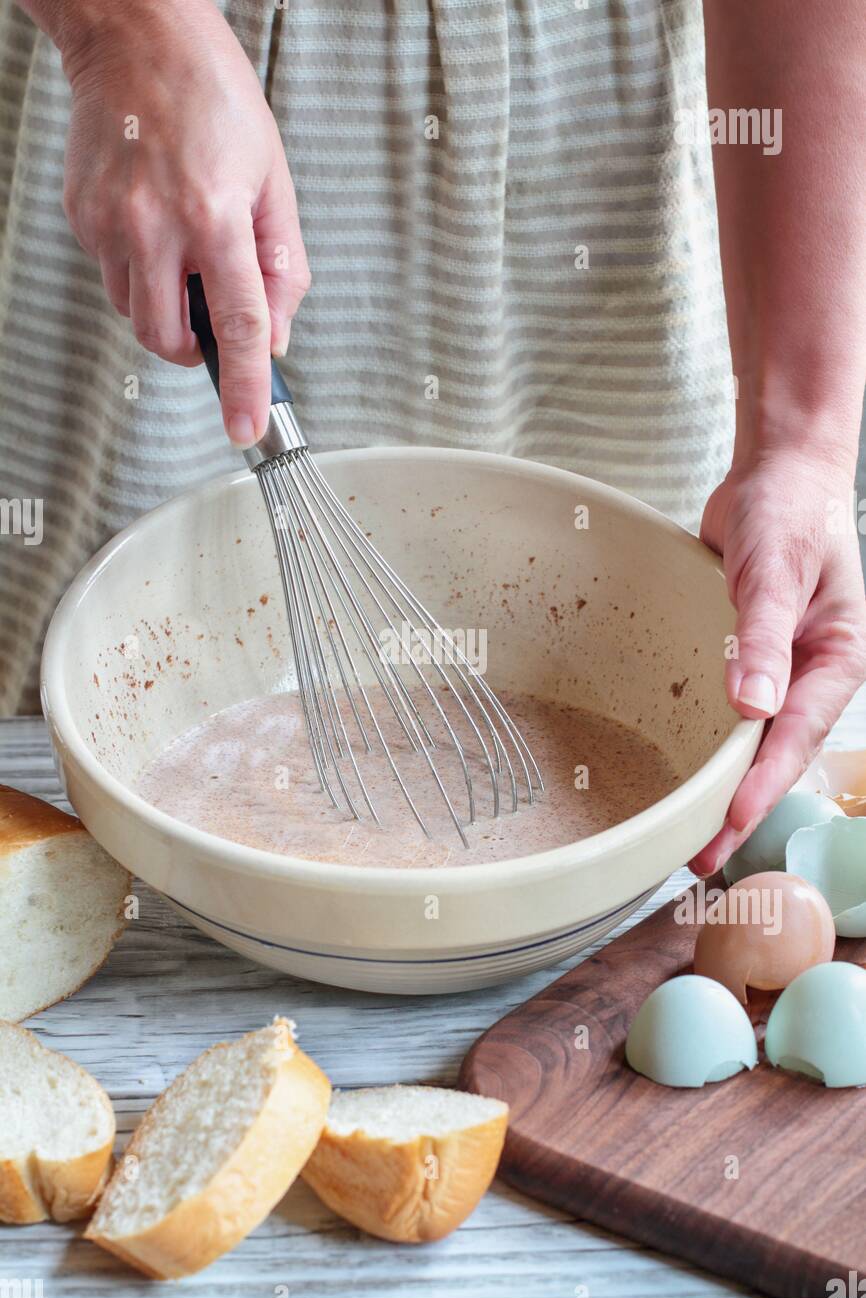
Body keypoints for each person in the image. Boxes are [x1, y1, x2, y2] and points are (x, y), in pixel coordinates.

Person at [1, 0, 864, 876]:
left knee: (665, 652)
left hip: (595, 152)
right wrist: (126, 33)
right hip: (173, 119)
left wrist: (800, 436)